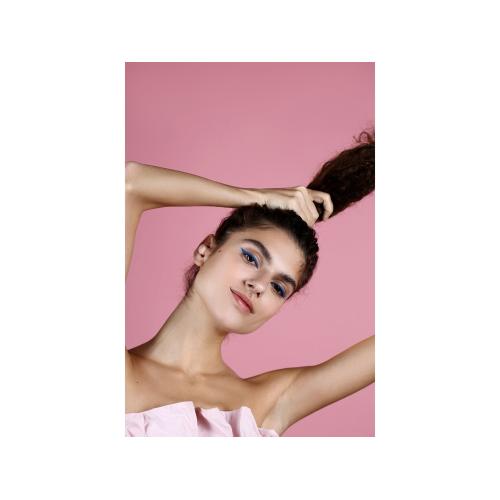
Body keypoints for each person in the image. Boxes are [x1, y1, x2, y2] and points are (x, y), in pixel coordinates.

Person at [125, 130, 375, 437]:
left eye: (279, 288)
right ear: (206, 250)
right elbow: (131, 183)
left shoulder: (267, 403)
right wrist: (256, 197)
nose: (259, 285)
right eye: (251, 257)